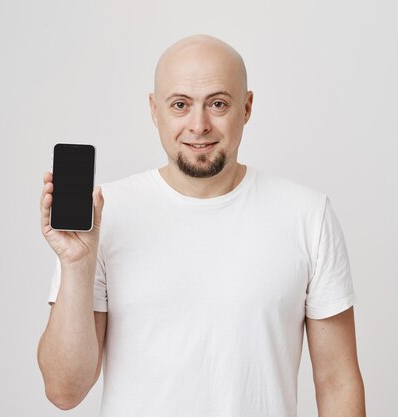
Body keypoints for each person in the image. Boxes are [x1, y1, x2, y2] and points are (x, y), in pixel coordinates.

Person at [37, 34, 366, 417]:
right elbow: (64, 391)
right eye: (180, 105)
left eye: (218, 104)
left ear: (246, 107)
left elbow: (338, 381)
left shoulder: (308, 215)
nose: (199, 125)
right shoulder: (103, 216)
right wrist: (77, 265)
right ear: (154, 110)